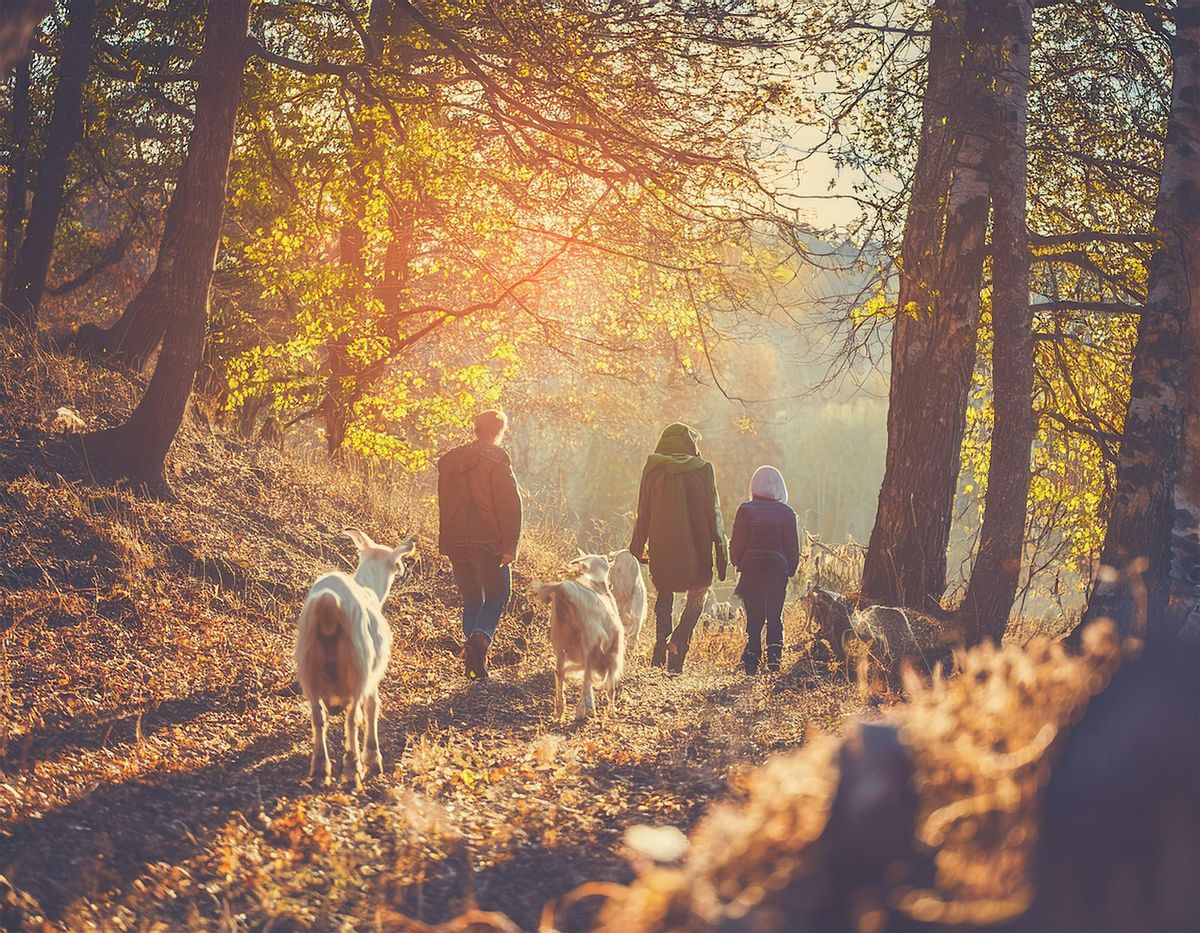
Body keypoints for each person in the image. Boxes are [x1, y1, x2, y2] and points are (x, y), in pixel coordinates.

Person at [629, 422, 727, 673]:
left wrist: (635, 550)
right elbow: (714, 512)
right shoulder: (704, 469)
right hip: (699, 545)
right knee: (699, 592)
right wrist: (721, 552)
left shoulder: (653, 468)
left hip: (662, 543)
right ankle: (679, 643)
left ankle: (659, 649)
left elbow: (643, 512)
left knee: (665, 590)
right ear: (691, 445)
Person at [437, 410, 522, 680]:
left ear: (475, 429)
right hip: (487, 541)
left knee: (472, 598)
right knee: (498, 595)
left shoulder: (452, 461)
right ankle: (481, 638)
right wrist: (510, 544)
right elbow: (509, 504)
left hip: (455, 541)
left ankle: (472, 662)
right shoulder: (496, 459)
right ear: (499, 431)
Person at [729, 465, 800, 674]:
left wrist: (738, 562)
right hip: (777, 568)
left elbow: (737, 542)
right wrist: (790, 569)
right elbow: (792, 547)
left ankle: (752, 657)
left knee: (754, 615)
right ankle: (774, 660)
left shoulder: (745, 509)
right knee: (775, 616)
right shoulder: (787, 513)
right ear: (780, 487)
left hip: (751, 567)